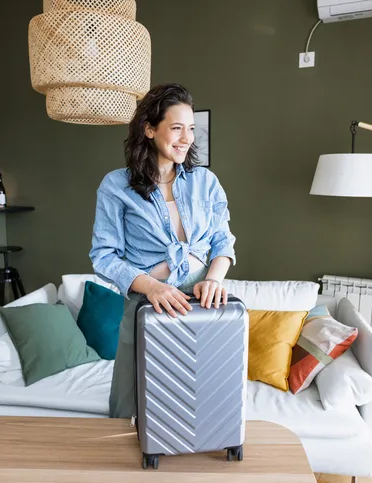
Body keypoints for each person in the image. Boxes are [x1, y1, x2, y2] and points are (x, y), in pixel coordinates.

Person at [89, 83, 237, 419]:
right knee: (131, 404)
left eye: (191, 129)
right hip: (148, 303)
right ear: (149, 129)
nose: (187, 138)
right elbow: (103, 256)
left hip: (202, 305)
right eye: (176, 128)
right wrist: (153, 287)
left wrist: (213, 280)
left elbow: (223, 241)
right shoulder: (116, 186)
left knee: (195, 403)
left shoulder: (206, 182)